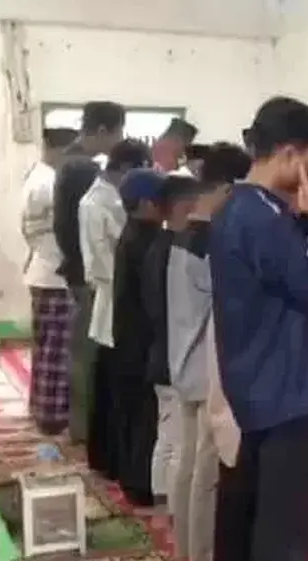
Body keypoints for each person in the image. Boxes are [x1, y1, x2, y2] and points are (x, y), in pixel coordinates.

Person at [208, 97, 308, 561]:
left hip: (255, 389)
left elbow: (283, 280)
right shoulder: (259, 217)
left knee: (254, 533)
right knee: (282, 544)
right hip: (286, 396)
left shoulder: (245, 209)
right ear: (289, 154)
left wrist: (307, 222)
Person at [168, 143, 252, 561]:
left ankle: (186, 545)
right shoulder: (210, 241)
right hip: (205, 362)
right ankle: (202, 557)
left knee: (189, 459)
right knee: (207, 467)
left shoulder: (184, 233)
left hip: (185, 357)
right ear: (226, 188)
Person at [52, 100, 125, 444]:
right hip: (88, 275)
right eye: (118, 133)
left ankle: (84, 427)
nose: (118, 140)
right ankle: (84, 431)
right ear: (103, 130)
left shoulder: (69, 160)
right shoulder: (84, 170)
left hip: (78, 269)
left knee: (83, 351)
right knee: (88, 354)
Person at [78, 138, 151, 480]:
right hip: (113, 301)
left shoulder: (113, 198)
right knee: (115, 393)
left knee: (119, 391)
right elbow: (98, 263)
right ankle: (111, 460)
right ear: (124, 169)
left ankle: (117, 457)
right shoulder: (94, 203)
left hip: (123, 301)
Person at [110, 167, 170, 506]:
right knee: (146, 416)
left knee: (135, 412)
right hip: (142, 340)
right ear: (147, 204)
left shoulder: (134, 234)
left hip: (130, 337)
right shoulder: (148, 241)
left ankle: (133, 479)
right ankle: (141, 483)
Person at [143, 175, 203, 507]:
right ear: (184, 207)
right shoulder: (174, 251)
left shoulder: (159, 246)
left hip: (163, 350)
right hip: (173, 355)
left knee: (168, 434)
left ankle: (164, 502)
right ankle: (169, 506)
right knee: (176, 440)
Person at [23, 126, 79, 435]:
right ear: (59, 150)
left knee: (45, 347)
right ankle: (52, 415)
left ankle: (41, 407)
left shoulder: (36, 177)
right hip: (54, 274)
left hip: (41, 270)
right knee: (56, 351)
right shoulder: (50, 183)